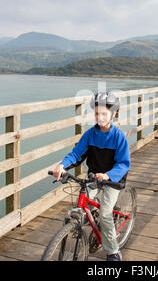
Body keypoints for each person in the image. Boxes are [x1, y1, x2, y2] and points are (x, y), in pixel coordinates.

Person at [51, 91, 130, 262]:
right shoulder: (90, 134)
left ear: (113, 113)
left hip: (113, 180)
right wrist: (62, 165)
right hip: (93, 177)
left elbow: (124, 164)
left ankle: (113, 251)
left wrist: (108, 176)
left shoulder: (119, 137)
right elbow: (76, 154)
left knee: (106, 214)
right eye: (96, 113)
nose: (100, 117)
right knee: (81, 205)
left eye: (104, 113)